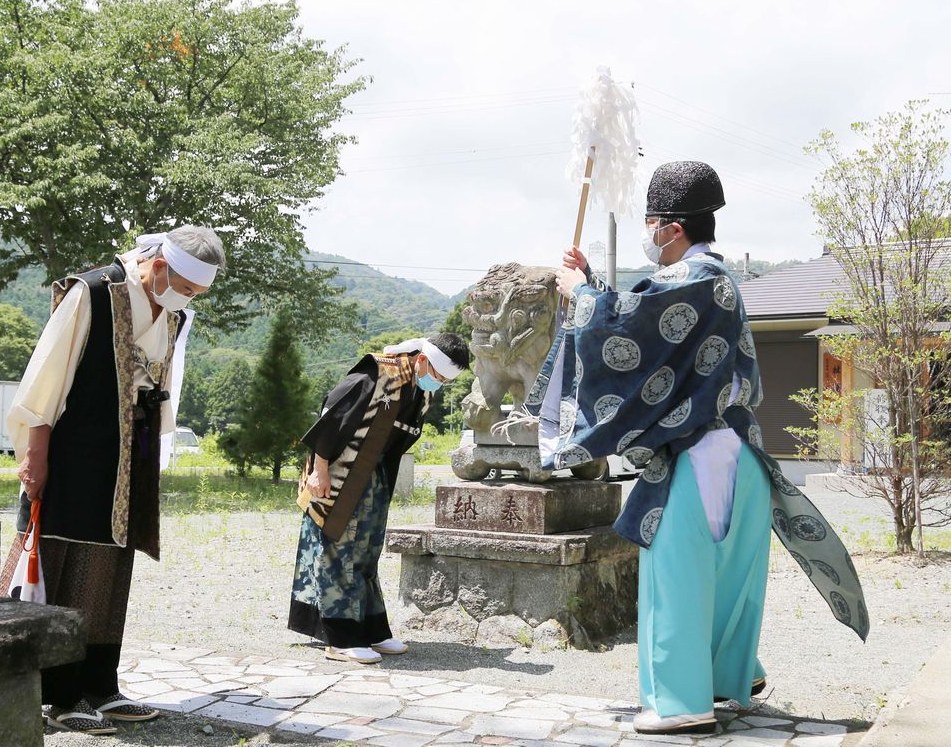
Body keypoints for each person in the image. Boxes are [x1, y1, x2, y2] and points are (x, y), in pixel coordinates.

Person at [534, 161, 868, 735]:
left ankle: (680, 702)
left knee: (678, 579)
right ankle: (726, 685)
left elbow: (621, 330)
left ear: (671, 227)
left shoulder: (693, 278)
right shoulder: (713, 280)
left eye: (651, 223)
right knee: (730, 583)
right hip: (742, 453)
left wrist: (581, 293)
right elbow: (646, 322)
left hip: (695, 457)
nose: (649, 233)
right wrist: (592, 280)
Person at [1, 225, 225, 735]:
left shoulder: (169, 311)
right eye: (186, 288)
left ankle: (100, 683)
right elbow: (45, 381)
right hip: (75, 447)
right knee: (65, 557)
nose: (187, 300)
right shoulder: (93, 292)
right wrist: (35, 459)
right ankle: (55, 693)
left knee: (109, 561)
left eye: (196, 294)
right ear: (159, 265)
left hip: (130, 453)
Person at [289, 333, 470, 663]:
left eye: (445, 380)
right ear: (422, 360)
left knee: (367, 553)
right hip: (339, 474)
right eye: (439, 376)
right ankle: (340, 638)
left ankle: (371, 631)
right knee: (340, 550)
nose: (439, 384)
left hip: (373, 478)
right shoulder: (379, 373)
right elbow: (332, 415)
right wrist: (320, 469)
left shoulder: (417, 389)